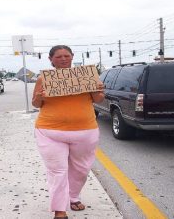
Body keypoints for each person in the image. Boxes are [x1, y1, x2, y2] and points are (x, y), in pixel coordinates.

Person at [32, 45, 105, 219]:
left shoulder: (86, 76)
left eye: (66, 55)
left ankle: (73, 197)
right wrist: (39, 96)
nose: (63, 59)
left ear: (72, 56)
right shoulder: (43, 79)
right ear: (50, 59)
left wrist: (97, 89)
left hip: (85, 131)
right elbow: (36, 104)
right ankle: (60, 209)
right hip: (50, 131)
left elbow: (98, 99)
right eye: (58, 57)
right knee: (57, 170)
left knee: (81, 169)